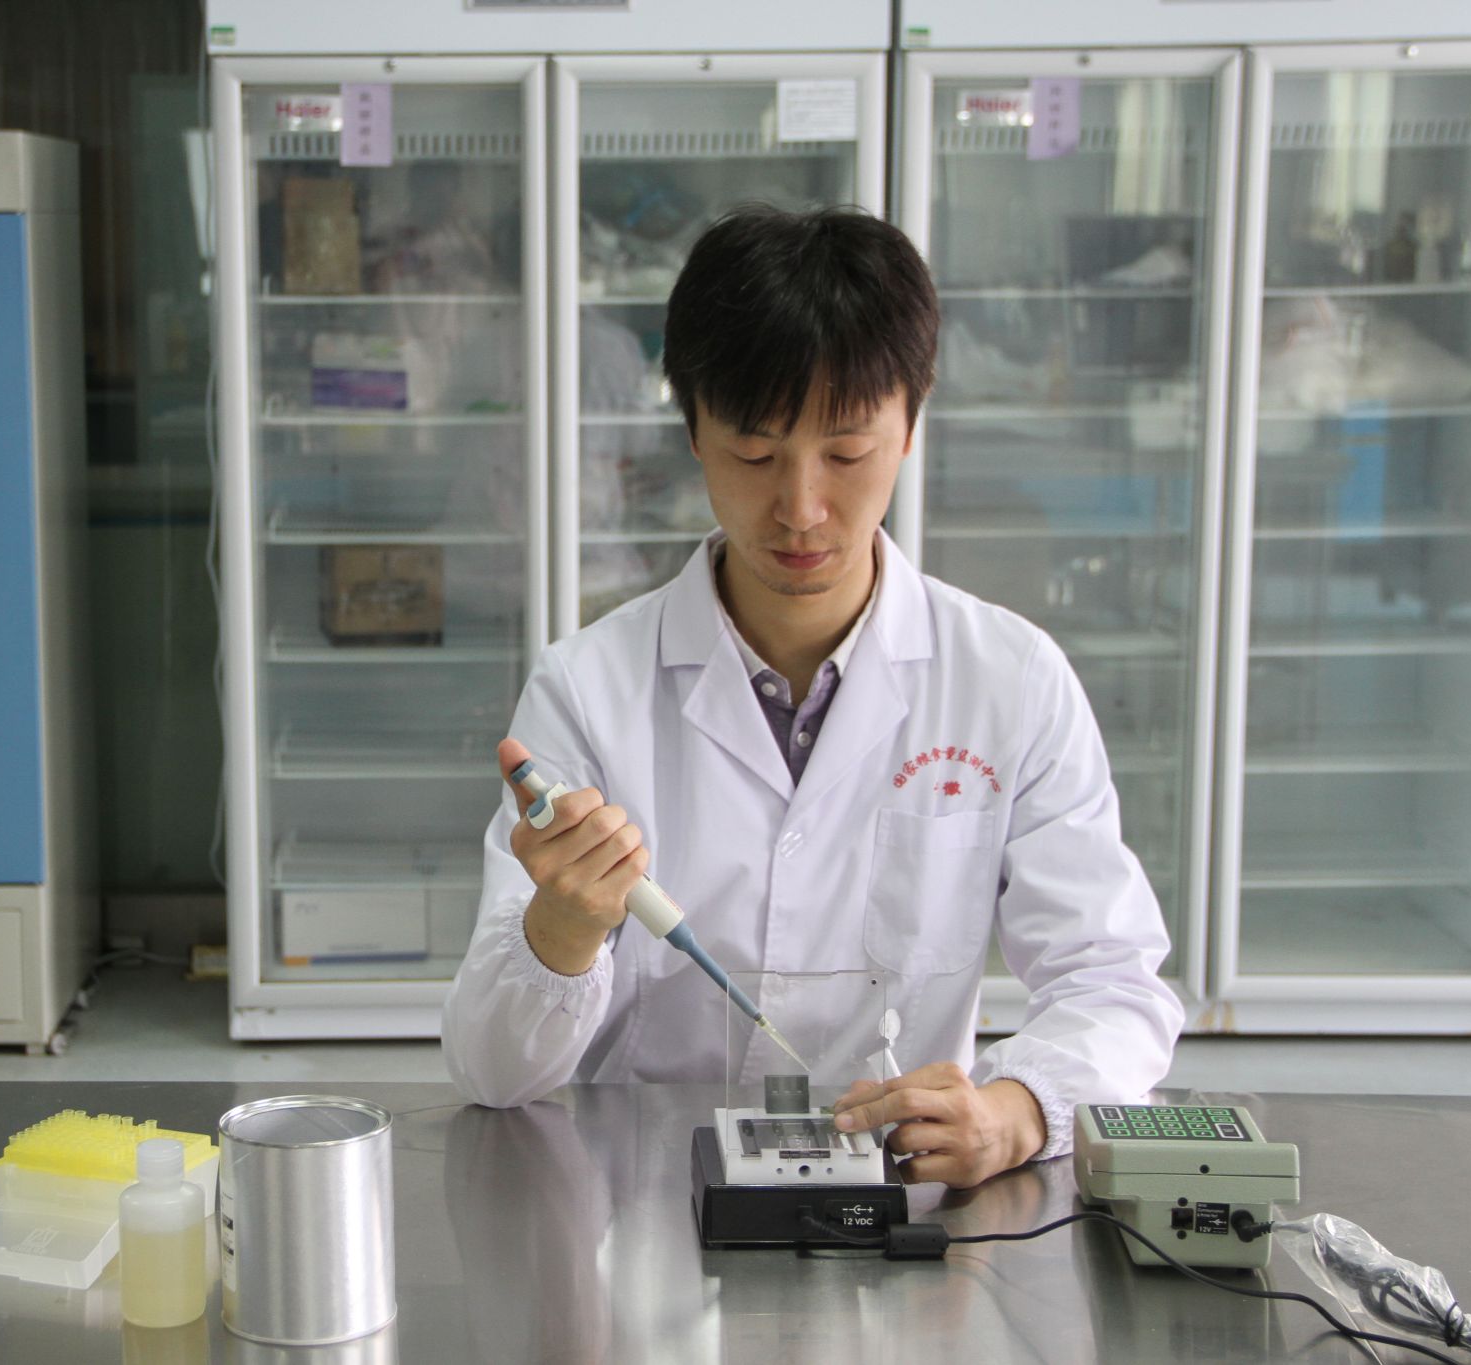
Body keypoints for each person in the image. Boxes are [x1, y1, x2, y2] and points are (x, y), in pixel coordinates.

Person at [440, 204, 1184, 1189]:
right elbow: (493, 1075)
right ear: (693, 431)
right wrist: (563, 932)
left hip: (904, 1199)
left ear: (909, 424)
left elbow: (1113, 980)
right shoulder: (586, 690)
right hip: (647, 1213)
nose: (800, 508)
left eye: (845, 453)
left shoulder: (1010, 679)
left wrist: (1016, 1110)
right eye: (755, 455)